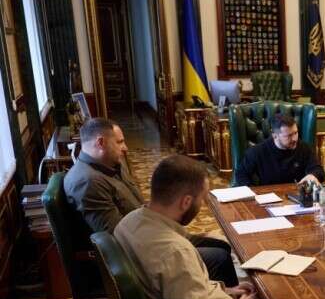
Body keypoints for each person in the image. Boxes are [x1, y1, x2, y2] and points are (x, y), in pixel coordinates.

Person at [115, 155, 290, 299]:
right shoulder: (175, 252)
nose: (203, 205)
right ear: (186, 202)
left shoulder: (129, 222)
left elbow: (176, 290)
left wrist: (227, 291)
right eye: (203, 198)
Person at [65, 118, 238, 287]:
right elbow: (116, 237)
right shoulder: (87, 181)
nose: (125, 148)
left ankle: (225, 295)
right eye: (119, 142)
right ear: (101, 142)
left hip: (152, 231)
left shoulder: (110, 165)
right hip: (140, 253)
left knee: (221, 245)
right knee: (219, 257)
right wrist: (173, 242)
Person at [234, 113, 325, 186]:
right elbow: (241, 175)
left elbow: (318, 169)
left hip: (297, 197)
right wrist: (253, 193)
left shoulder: (304, 147)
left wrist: (313, 175)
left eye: (296, 133)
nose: (295, 139)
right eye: (289, 135)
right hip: (269, 198)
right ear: (275, 136)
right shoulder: (257, 151)